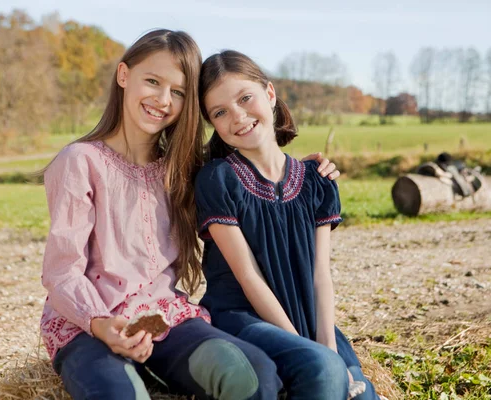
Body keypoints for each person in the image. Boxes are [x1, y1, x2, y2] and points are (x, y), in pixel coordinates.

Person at [39, 30, 340, 400]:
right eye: (152, 81)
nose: (163, 100)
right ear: (123, 76)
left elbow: (247, 176)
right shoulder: (79, 162)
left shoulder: (182, 169)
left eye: (178, 92)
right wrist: (102, 324)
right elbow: (61, 271)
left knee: (252, 375)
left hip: (166, 318)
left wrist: (306, 170)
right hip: (90, 326)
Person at [195, 50, 379, 400]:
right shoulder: (217, 180)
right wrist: (308, 347)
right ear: (212, 123)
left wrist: (326, 342)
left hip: (307, 311)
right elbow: (249, 277)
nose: (238, 116)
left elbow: (320, 274)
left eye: (245, 98)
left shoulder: (317, 180)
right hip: (243, 316)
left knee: (359, 389)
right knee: (323, 370)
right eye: (220, 112)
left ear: (270, 94)